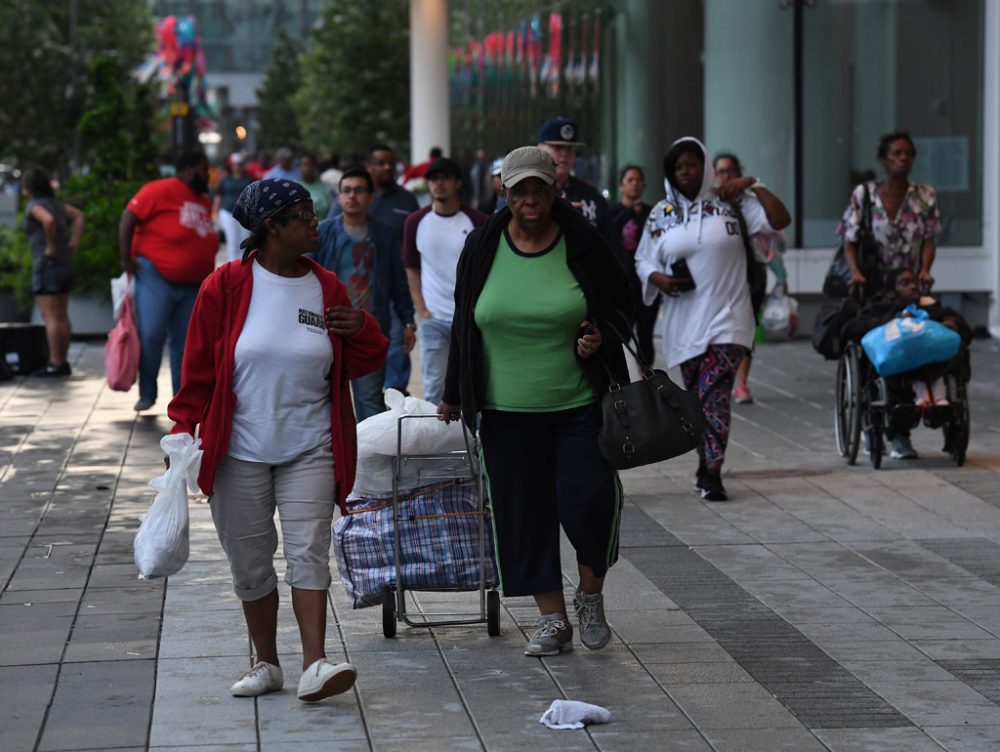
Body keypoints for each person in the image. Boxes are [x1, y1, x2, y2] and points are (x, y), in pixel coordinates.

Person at [167, 179, 388, 701]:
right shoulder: (224, 287)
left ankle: (315, 663)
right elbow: (197, 370)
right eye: (303, 214)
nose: (316, 221)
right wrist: (182, 426)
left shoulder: (327, 286)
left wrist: (361, 327)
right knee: (250, 561)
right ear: (272, 228)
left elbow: (362, 359)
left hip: (310, 445)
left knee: (309, 550)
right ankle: (267, 663)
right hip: (237, 449)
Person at [438, 146, 634, 657]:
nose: (530, 200)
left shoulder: (584, 244)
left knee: (588, 500)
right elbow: (465, 322)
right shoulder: (482, 245)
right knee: (522, 514)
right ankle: (553, 620)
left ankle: (590, 597)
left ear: (554, 191)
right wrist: (452, 394)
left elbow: (622, 309)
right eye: (520, 190)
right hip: (505, 412)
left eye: (539, 190)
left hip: (578, 404)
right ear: (504, 190)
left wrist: (601, 339)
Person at [635, 137, 788, 502]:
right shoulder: (661, 214)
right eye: (678, 166)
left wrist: (754, 183)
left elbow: (780, 220)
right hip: (684, 323)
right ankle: (706, 461)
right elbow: (643, 259)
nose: (686, 171)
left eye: (692, 163)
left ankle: (712, 469)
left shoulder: (731, 202)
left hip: (730, 317)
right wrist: (657, 279)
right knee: (697, 398)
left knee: (713, 391)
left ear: (704, 166)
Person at [119, 150, 219, 412]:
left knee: (186, 344)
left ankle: (181, 400)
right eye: (202, 168)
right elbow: (128, 218)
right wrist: (126, 259)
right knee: (152, 334)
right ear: (186, 169)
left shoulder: (203, 199)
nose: (206, 173)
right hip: (156, 276)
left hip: (193, 284)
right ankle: (148, 392)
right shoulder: (158, 190)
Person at [315, 167, 416, 420]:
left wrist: (408, 320)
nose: (352, 196)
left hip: (368, 331)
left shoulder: (385, 235)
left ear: (371, 198)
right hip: (327, 329)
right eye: (346, 190)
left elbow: (398, 283)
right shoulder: (323, 234)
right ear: (338, 197)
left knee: (369, 401)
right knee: (324, 401)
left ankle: (370, 458)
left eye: (359, 190)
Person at [842, 268, 970, 460]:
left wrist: (951, 323)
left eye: (914, 282)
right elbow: (851, 329)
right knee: (890, 376)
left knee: (956, 347)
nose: (913, 286)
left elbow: (961, 327)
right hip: (897, 369)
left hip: (931, 367)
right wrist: (892, 322)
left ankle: (948, 421)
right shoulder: (881, 307)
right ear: (892, 291)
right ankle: (899, 439)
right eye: (905, 283)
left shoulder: (931, 307)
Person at [403, 157, 487, 404]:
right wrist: (421, 309)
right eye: (433, 179)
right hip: (434, 320)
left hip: (470, 319)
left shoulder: (477, 221)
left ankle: (474, 441)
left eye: (445, 178)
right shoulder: (415, 222)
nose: (438, 184)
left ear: (457, 182)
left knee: (473, 387)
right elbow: (411, 267)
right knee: (434, 391)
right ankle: (438, 442)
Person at [713, 152, 793, 404]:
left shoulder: (750, 202)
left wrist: (755, 184)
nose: (726, 177)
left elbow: (780, 220)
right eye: (720, 172)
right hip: (719, 278)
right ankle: (720, 377)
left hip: (751, 276)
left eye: (731, 171)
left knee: (746, 329)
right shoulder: (709, 203)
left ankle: (741, 383)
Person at [839, 131, 940, 294]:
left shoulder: (925, 195)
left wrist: (925, 270)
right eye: (897, 153)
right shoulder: (864, 194)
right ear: (883, 160)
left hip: (909, 286)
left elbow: (929, 240)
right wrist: (855, 272)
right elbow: (850, 240)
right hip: (871, 284)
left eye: (908, 154)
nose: (903, 158)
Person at [363, 144, 421, 395]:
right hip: (361, 286)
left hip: (396, 285)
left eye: (390, 162)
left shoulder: (407, 200)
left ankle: (395, 395)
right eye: (380, 162)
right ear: (369, 167)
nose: (387, 167)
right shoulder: (357, 196)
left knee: (397, 341)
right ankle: (371, 393)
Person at [22, 167, 84, 377]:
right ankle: (62, 360)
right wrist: (73, 242)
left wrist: (49, 245)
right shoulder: (57, 205)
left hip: (47, 265)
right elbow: (78, 216)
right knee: (62, 315)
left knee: (50, 316)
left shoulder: (34, 206)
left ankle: (54, 362)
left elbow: (47, 220)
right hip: (64, 264)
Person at [537, 117, 615, 246]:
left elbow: (611, 247)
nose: (564, 154)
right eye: (557, 147)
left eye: (569, 148)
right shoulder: (527, 194)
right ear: (540, 149)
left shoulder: (592, 197)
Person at [609, 164, 657, 363]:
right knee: (622, 336)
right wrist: (629, 212)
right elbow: (609, 235)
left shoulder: (652, 212)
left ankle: (647, 382)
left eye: (638, 180)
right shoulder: (612, 212)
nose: (635, 184)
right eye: (630, 180)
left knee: (645, 336)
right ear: (621, 185)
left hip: (646, 282)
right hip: (622, 283)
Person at [212, 153, 254, 262]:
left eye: (239, 164)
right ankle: (232, 263)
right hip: (227, 212)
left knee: (245, 238)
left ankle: (244, 260)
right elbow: (219, 196)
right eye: (235, 164)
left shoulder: (249, 179)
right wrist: (215, 212)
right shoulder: (226, 180)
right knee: (232, 239)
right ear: (231, 166)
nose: (237, 167)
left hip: (244, 213)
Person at [299, 153, 332, 220]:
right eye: (304, 165)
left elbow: (331, 208)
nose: (307, 168)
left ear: (315, 166)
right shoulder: (296, 187)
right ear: (300, 167)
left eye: (310, 164)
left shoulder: (325, 186)